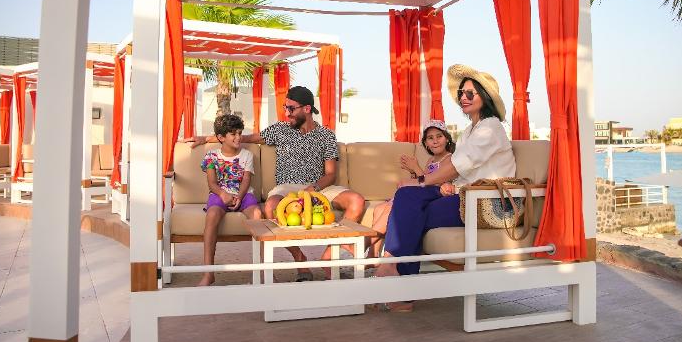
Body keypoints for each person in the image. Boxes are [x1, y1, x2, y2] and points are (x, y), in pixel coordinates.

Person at [375, 64, 516, 311]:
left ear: (484, 96)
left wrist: (423, 180)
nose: (463, 97)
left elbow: (459, 164)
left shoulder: (491, 127)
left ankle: (394, 274)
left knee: (414, 212)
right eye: (461, 93)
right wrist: (442, 184)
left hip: (485, 202)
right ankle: (392, 269)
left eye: (470, 93)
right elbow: (457, 167)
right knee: (406, 195)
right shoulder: (469, 131)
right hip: (463, 195)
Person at [191, 86, 365, 281]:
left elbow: (331, 174)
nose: (287, 113)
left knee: (356, 201)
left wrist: (313, 188)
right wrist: (206, 138)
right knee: (271, 207)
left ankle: (330, 256)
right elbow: (243, 137)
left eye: (291, 108)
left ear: (307, 109)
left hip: (319, 187)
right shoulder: (281, 129)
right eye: (285, 108)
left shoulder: (326, 135)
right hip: (287, 188)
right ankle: (300, 259)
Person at [366, 120, 456, 259]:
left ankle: (364, 242)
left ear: (447, 139)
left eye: (439, 136)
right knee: (379, 208)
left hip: (434, 197)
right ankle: (372, 255)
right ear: (426, 143)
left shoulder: (449, 159)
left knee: (390, 209)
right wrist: (413, 172)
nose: (435, 141)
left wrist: (416, 167)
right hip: (424, 193)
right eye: (430, 138)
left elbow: (434, 183)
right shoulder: (431, 161)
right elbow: (423, 181)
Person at [197, 114, 262, 287]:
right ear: (221, 137)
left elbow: (246, 180)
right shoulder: (211, 156)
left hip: (243, 194)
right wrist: (223, 194)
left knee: (257, 214)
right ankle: (208, 273)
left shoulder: (247, 155)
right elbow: (212, 183)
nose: (238, 137)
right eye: (233, 134)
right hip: (219, 194)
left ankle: (262, 271)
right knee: (211, 215)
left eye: (239, 133)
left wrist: (239, 197)